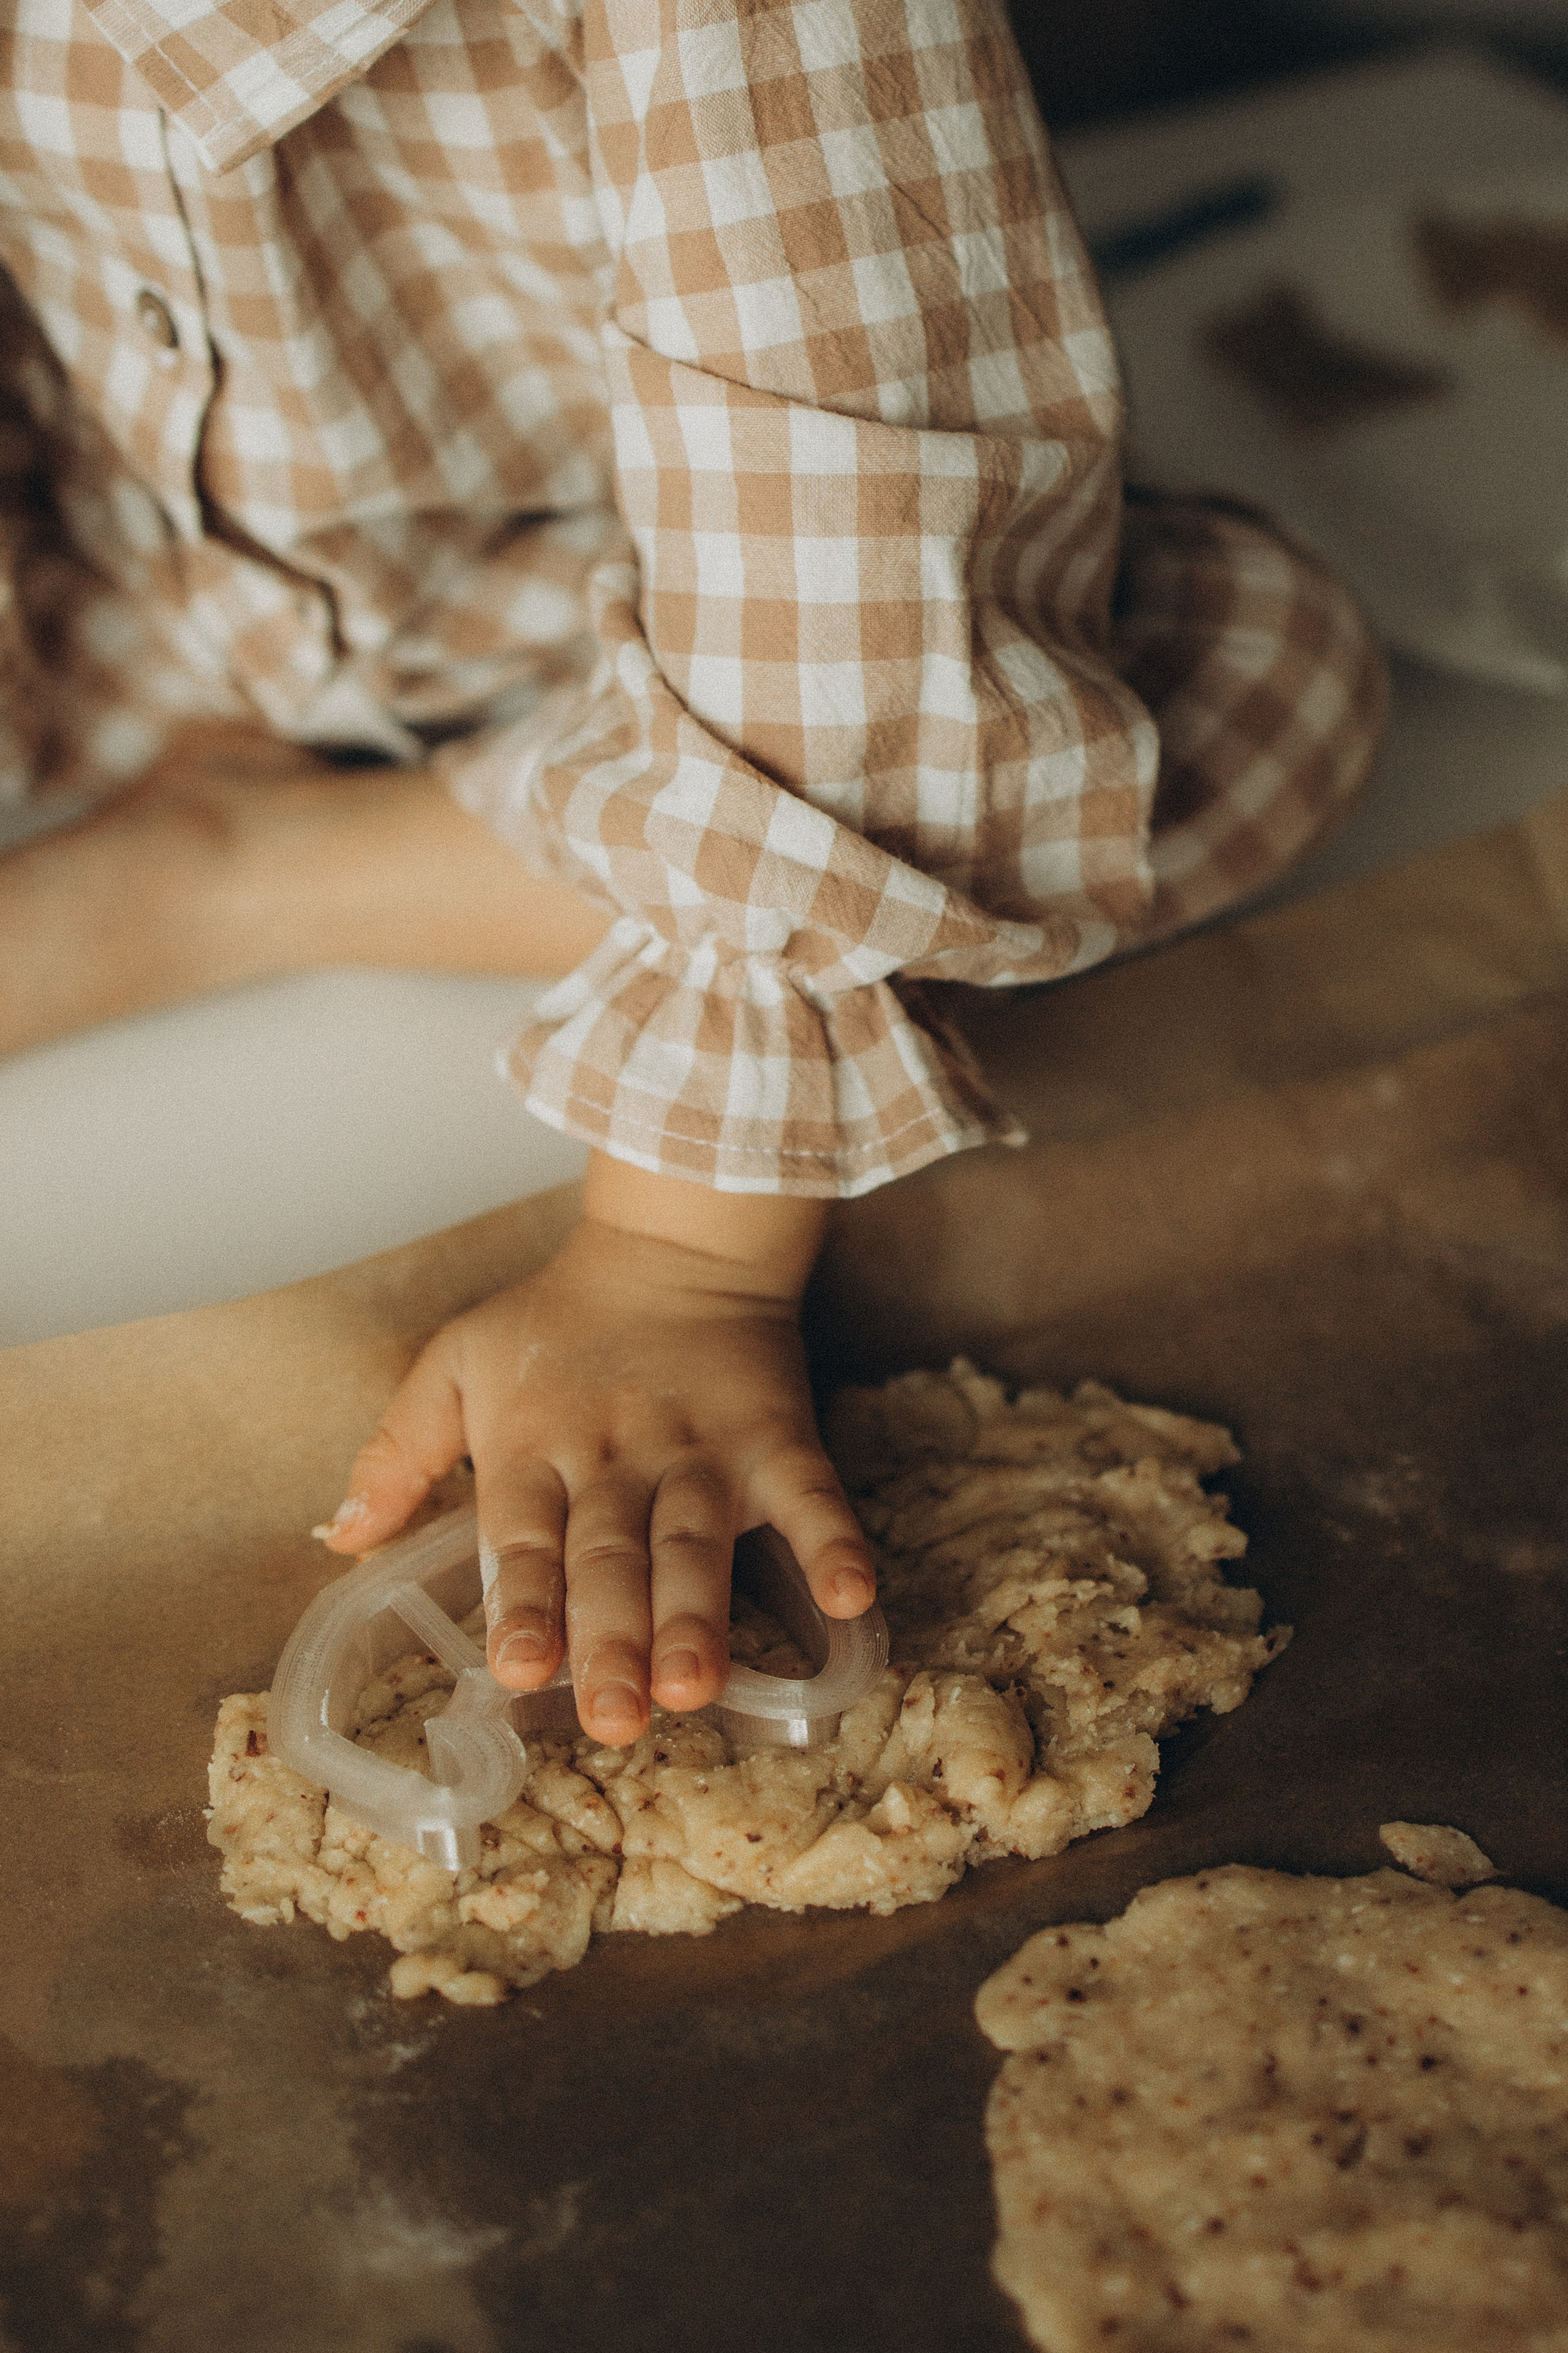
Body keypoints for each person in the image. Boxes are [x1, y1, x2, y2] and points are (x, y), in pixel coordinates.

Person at [0, 0, 1385, 1747]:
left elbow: (856, 548)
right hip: (145, 628)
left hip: (676, 633)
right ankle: (307, 833)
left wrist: (679, 1263)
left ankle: (239, 877)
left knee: (1265, 685)